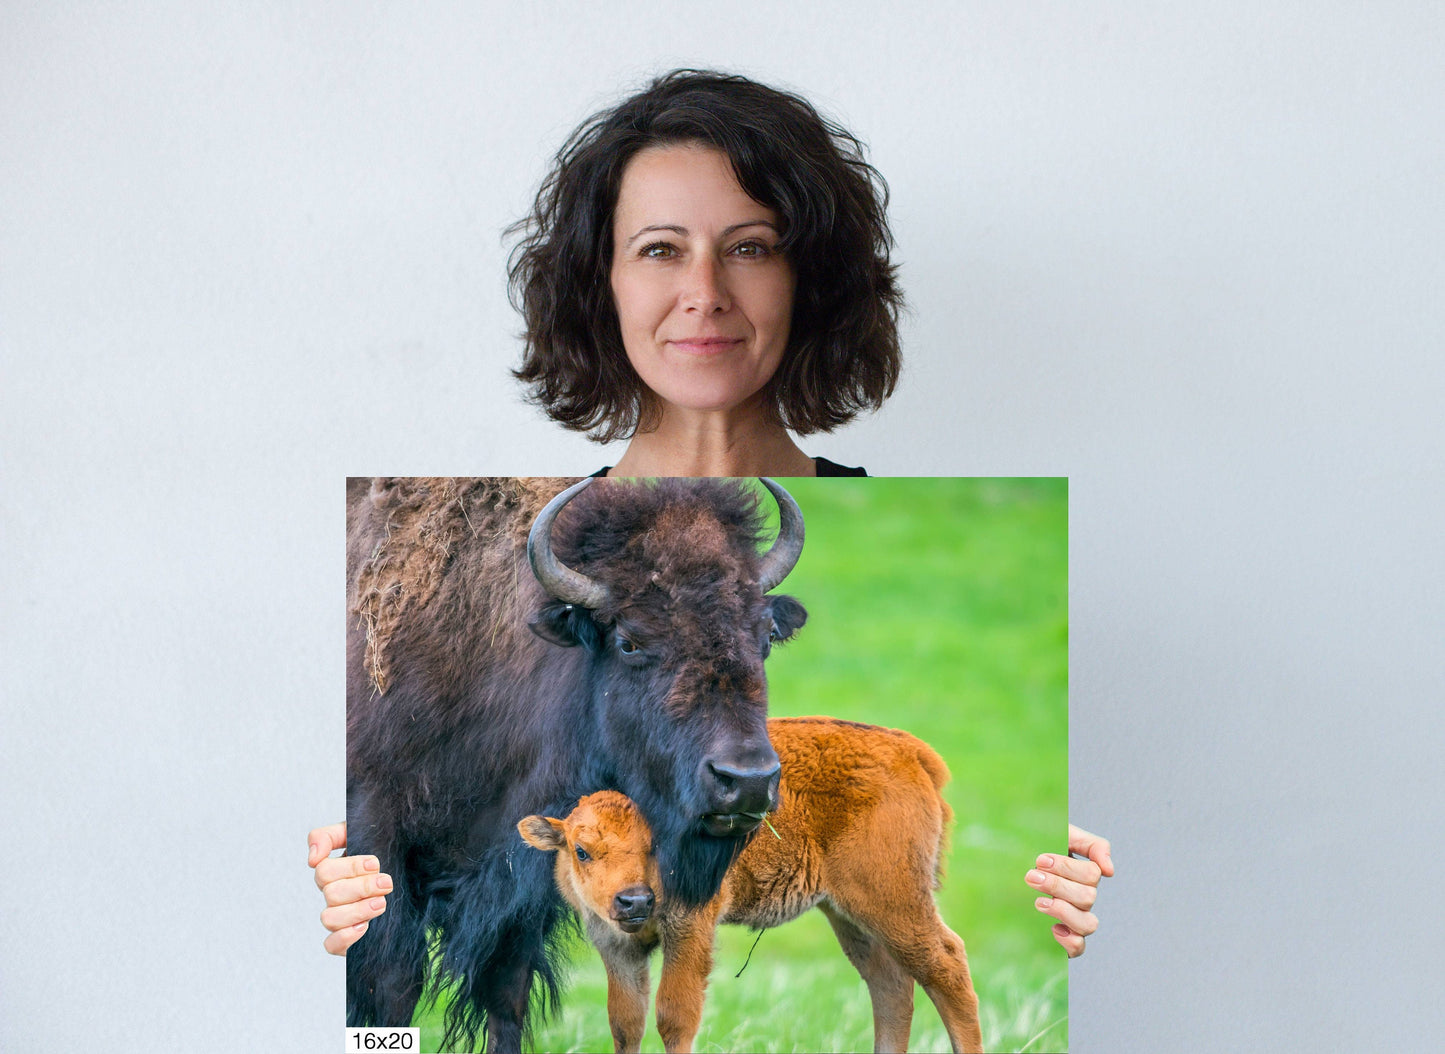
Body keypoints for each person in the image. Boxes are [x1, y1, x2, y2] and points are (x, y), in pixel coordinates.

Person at [312, 69, 1112, 961]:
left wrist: (1094, 922)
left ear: (812, 280)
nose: (705, 292)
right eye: (660, 249)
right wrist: (323, 947)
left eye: (751, 248)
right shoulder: (462, 548)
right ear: (600, 284)